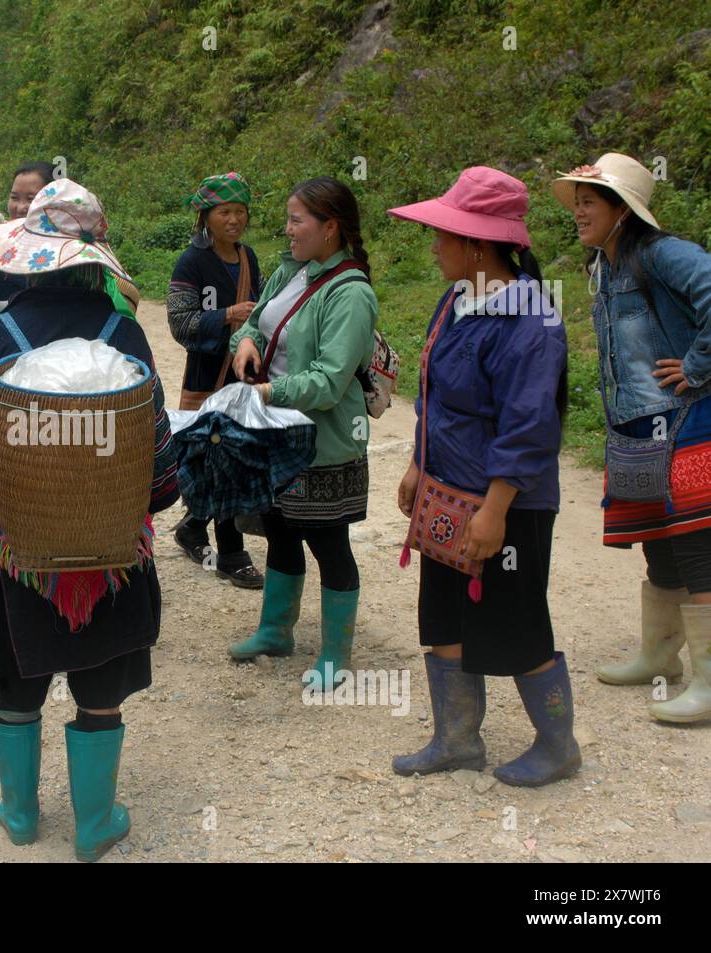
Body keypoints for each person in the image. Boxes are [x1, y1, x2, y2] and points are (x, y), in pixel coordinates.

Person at [0, 179, 179, 862]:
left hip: (24, 547)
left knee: (15, 685)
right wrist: (145, 500)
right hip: (111, 552)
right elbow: (161, 461)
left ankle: (20, 812)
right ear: (94, 261)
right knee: (101, 691)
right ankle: (93, 823)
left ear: (27, 257)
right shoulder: (128, 334)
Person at [388, 167, 580, 786]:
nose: (433, 245)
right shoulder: (458, 300)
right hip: (448, 489)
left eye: (441, 234)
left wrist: (495, 510)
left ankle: (558, 746)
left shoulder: (530, 323)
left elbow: (529, 427)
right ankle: (457, 739)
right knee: (442, 613)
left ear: (475, 243)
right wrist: (420, 461)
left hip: (507, 503)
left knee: (516, 619)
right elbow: (433, 391)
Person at [555, 152, 711, 724]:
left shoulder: (662, 254)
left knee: (697, 544)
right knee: (659, 541)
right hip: (641, 428)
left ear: (624, 209)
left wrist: (697, 365)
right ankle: (660, 655)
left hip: (691, 421)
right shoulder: (607, 265)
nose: (579, 212)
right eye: (577, 203)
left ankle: (709, 681)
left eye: (589, 202)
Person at [228, 177, 378, 693]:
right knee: (281, 531)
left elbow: (331, 380)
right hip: (277, 435)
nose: (287, 229)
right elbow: (255, 324)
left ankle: (336, 652)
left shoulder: (351, 293)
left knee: (329, 543)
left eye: (298, 220)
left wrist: (267, 392)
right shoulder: (290, 271)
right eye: (288, 219)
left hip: (323, 443)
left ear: (330, 227)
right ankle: (275, 631)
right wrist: (244, 344)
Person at [167, 172, 264, 588]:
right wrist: (226, 316)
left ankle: (193, 526)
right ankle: (231, 553)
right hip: (207, 376)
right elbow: (179, 322)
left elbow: (258, 312)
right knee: (221, 459)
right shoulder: (191, 263)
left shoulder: (249, 259)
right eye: (225, 212)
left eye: (240, 212)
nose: (234, 220)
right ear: (206, 217)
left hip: (242, 375)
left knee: (230, 458)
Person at [0, 162, 135, 350]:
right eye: (14, 197)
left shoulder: (83, 264)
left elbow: (122, 325)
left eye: (31, 199)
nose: (20, 207)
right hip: (2, 371)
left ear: (52, 204)